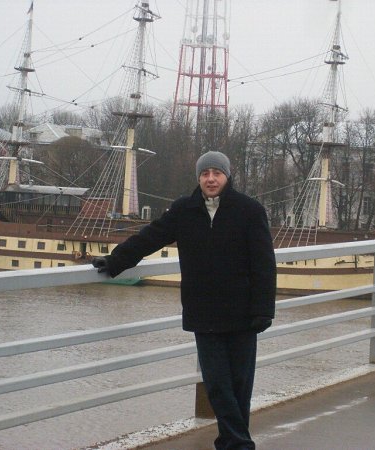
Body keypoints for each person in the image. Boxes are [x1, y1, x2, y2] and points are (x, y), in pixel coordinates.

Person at [92, 151, 276, 450]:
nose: (211, 179)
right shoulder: (184, 210)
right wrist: (115, 261)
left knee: (240, 387)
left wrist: (263, 310)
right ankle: (240, 445)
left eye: (217, 173)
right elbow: (150, 237)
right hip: (204, 312)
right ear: (198, 178)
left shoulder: (249, 210)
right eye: (205, 173)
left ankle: (231, 443)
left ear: (227, 176)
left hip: (243, 314)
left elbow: (264, 263)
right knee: (217, 386)